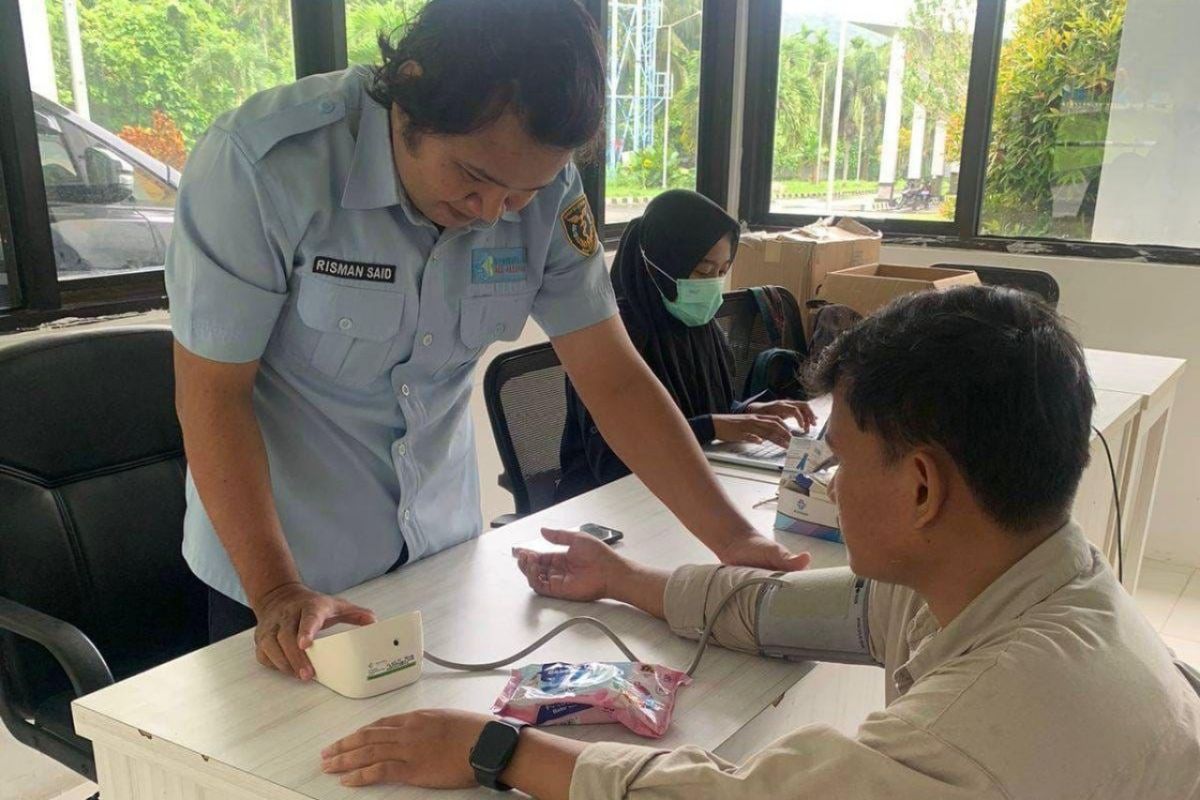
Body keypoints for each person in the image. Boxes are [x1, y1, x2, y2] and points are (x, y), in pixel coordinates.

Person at [319, 286, 1200, 798]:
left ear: (924, 487)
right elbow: (797, 610)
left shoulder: (979, 727)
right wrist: (630, 580)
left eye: (844, 462)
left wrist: (496, 747)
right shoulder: (1023, 577)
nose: (829, 484)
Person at [167, 0, 810, 680]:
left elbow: (613, 378)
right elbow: (214, 397)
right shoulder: (264, 166)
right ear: (410, 91)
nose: (492, 213)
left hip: (439, 558)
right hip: (281, 575)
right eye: (474, 177)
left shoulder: (547, 187)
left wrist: (734, 538)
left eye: (522, 192)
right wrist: (276, 590)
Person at [556, 189, 816, 501]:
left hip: (684, 486)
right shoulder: (610, 339)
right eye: (702, 271)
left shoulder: (697, 324)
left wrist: (747, 412)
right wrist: (714, 427)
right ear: (660, 261)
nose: (711, 284)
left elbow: (698, 409)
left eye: (721, 272)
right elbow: (615, 459)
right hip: (612, 501)